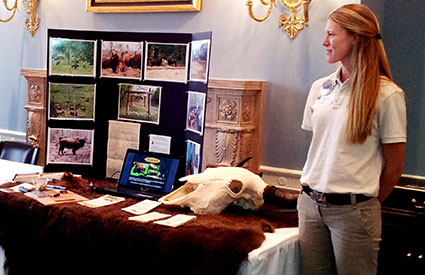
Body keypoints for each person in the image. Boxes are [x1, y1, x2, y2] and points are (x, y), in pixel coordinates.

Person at [298, 4, 406, 275]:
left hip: (354, 212)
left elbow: (394, 167)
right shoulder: (319, 88)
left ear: (356, 36)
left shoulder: (387, 95)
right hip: (310, 206)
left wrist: (362, 205)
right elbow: (322, 148)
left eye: (332, 35)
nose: (325, 42)